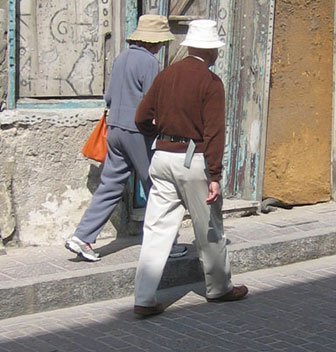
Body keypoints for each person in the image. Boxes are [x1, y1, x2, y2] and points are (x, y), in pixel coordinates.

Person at [133, 19, 248, 317]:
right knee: (209, 226)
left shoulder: (166, 75)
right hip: (192, 159)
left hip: (161, 156)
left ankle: (144, 298)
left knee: (157, 228)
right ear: (211, 51)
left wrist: (157, 131)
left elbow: (141, 118)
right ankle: (220, 288)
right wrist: (215, 176)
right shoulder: (211, 83)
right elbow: (213, 134)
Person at [65, 15, 187, 262]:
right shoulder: (149, 62)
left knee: (110, 184)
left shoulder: (122, 58)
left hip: (115, 129)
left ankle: (82, 236)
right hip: (137, 132)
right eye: (162, 42)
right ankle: (165, 245)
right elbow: (153, 102)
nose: (162, 46)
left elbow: (109, 96)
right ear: (155, 41)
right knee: (159, 185)